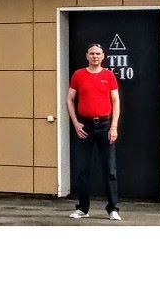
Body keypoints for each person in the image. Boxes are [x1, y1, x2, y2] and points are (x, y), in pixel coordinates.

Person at [66, 43, 121, 220]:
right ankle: (83, 208)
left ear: (103, 56)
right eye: (92, 53)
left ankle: (113, 209)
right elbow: (69, 99)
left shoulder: (109, 75)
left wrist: (113, 127)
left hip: (105, 126)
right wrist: (76, 123)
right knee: (82, 170)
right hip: (85, 127)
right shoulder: (78, 75)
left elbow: (116, 101)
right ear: (87, 56)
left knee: (110, 170)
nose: (95, 56)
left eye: (98, 53)